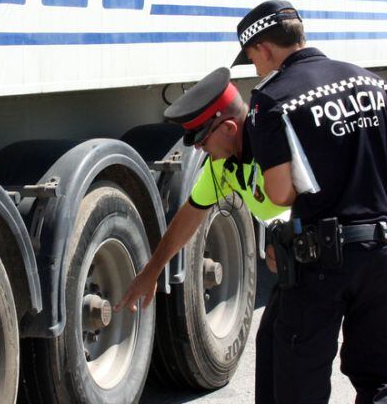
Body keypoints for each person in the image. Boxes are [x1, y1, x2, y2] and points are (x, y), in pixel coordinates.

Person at [231, 0, 387, 404]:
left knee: (299, 385)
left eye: (252, 57)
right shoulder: (371, 82)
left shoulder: (271, 99)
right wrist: (362, 181)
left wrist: (327, 183)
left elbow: (280, 193)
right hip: (383, 253)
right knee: (378, 385)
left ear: (265, 49)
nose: (255, 68)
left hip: (323, 261)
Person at [115, 66, 288, 313]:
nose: (197, 148)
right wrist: (152, 270)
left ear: (230, 128)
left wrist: (294, 237)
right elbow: (191, 214)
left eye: (202, 139)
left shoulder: (274, 147)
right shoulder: (223, 165)